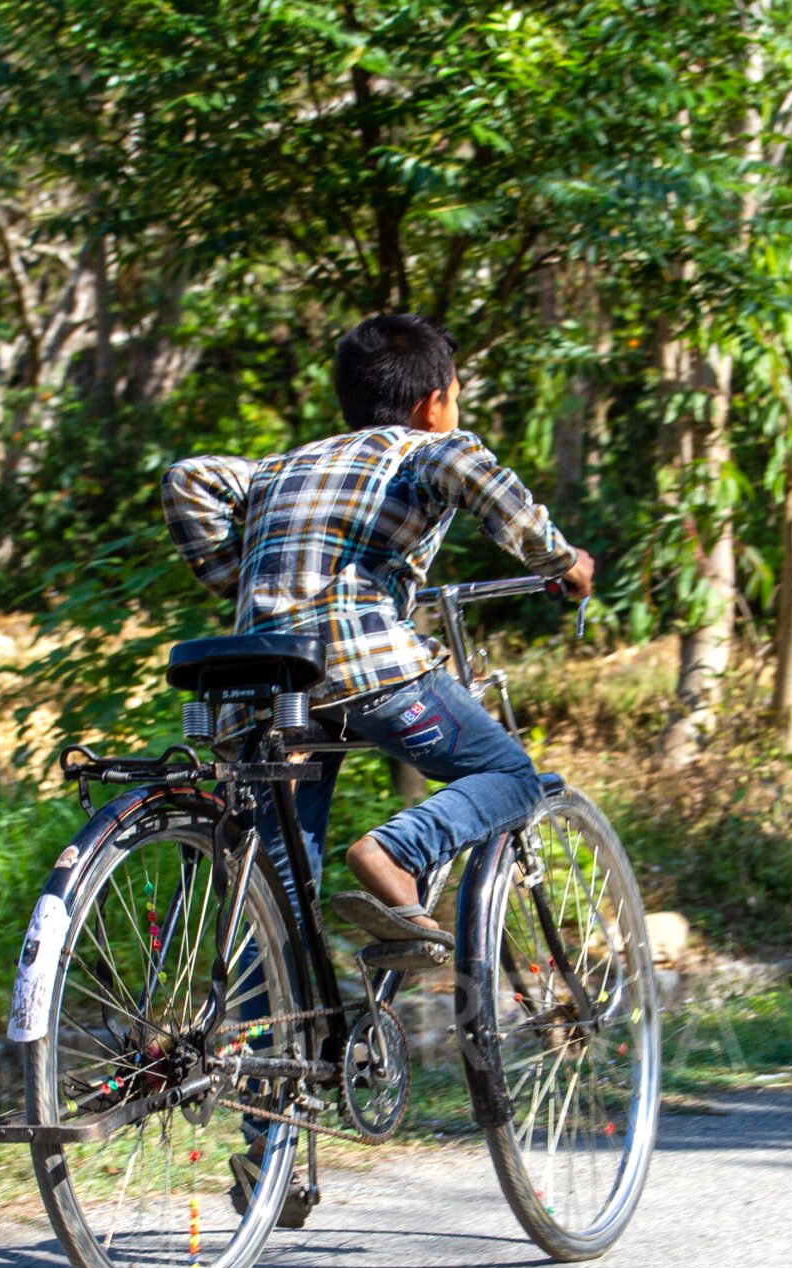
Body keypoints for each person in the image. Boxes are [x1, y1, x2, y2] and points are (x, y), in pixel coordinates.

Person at [160, 313, 593, 1220]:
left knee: (277, 908)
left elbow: (191, 477)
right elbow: (471, 469)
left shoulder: (281, 468)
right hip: (365, 667)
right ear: (434, 401)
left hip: (258, 683)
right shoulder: (423, 447)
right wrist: (560, 560)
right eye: (454, 397)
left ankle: (269, 1141)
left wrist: (239, 572)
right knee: (513, 777)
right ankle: (397, 851)